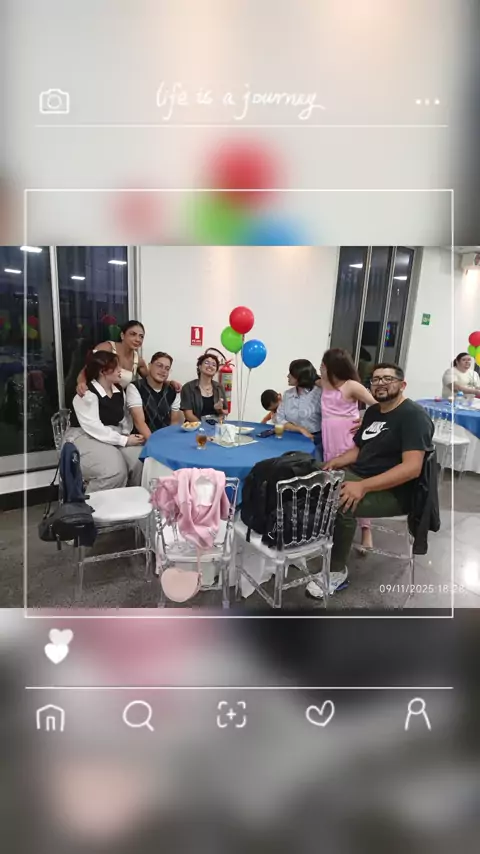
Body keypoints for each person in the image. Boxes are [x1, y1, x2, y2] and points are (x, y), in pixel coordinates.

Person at [306, 363, 434, 599]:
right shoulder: (374, 411)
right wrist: (335, 462)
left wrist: (363, 486)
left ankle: (336, 572)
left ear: (402, 385)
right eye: (375, 379)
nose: (380, 383)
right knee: (307, 474)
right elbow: (360, 449)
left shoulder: (414, 417)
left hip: (395, 492)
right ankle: (305, 544)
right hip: (361, 474)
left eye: (388, 379)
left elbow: (412, 468)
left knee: (340, 503)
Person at [320, 348, 377, 553]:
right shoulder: (324, 383)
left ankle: (366, 530)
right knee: (333, 479)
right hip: (329, 438)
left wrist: (365, 420)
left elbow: (378, 406)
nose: (321, 368)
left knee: (354, 481)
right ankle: (335, 526)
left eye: (323, 365)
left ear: (333, 367)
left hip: (347, 437)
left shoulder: (352, 386)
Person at [66, 350, 146, 492]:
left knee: (139, 460)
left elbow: (124, 418)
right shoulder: (87, 394)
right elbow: (93, 427)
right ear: (103, 371)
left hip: (111, 434)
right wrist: (124, 440)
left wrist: (126, 434)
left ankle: (131, 498)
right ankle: (90, 504)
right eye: (116, 367)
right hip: (85, 436)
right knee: (114, 471)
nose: (120, 370)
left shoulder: (119, 390)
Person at [75, 320, 181, 396]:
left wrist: (170, 383)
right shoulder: (106, 348)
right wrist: (81, 384)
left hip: (118, 402)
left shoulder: (138, 361)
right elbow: (85, 371)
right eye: (133, 334)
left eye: (141, 336)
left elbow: (151, 378)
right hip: (94, 397)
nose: (137, 339)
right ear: (122, 335)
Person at [275, 359, 323, 456]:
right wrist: (299, 429)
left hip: (314, 440)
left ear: (300, 376)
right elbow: (279, 418)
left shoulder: (319, 393)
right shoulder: (288, 394)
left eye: (291, 373)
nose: (288, 376)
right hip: (291, 437)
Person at [131, 352, 183, 440]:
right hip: (141, 440)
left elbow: (174, 422)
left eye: (167, 368)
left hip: (166, 438)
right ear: (149, 366)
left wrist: (169, 440)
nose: (163, 371)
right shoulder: (135, 387)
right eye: (159, 366)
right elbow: (139, 423)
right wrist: (155, 442)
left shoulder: (174, 390)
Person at [180, 352, 228, 422]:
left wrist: (220, 410)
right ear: (199, 367)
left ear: (216, 370)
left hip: (216, 426)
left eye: (214, 365)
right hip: (195, 426)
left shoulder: (219, 387)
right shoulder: (188, 387)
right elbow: (188, 415)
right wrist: (203, 426)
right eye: (206, 363)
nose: (210, 366)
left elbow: (226, 411)